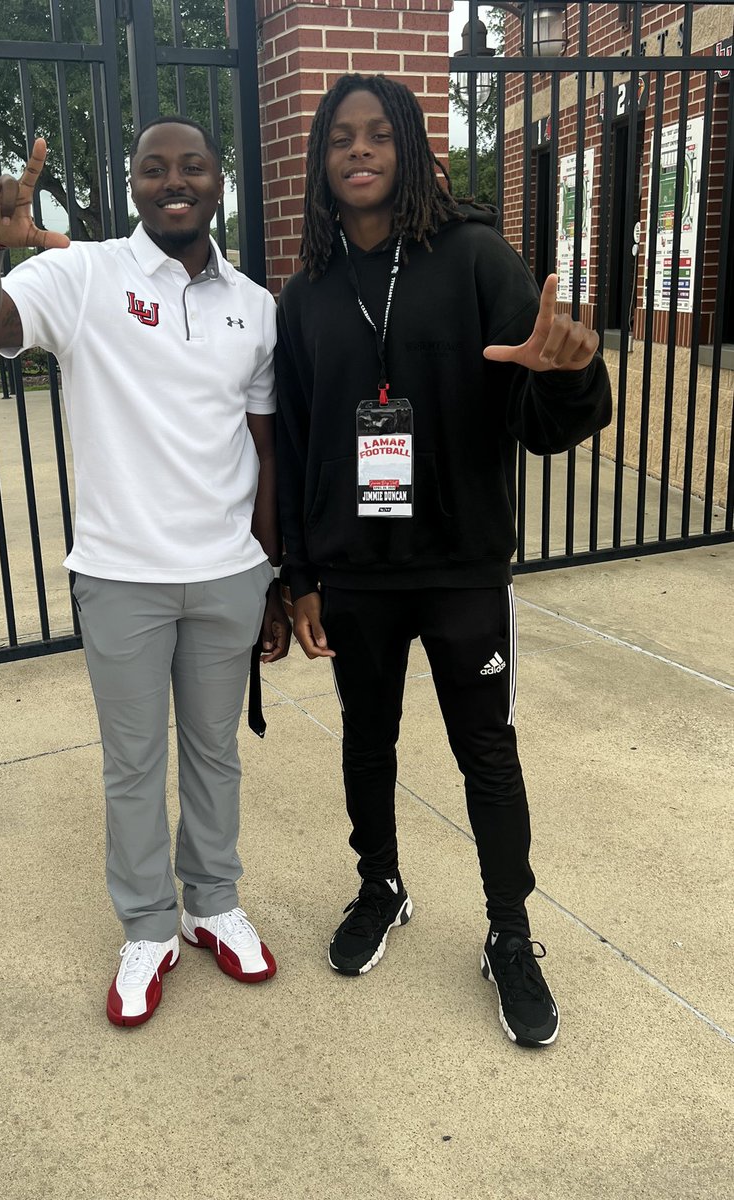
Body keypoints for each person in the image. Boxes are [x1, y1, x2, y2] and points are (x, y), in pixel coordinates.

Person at [274, 74, 611, 1048]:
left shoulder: (475, 260)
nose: (361, 149)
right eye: (342, 137)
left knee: (487, 754)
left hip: (463, 564)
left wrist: (575, 370)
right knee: (365, 742)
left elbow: (548, 416)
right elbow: (294, 445)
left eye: (380, 134)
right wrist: (297, 575)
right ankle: (380, 885)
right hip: (355, 571)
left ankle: (509, 931)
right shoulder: (309, 293)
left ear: (413, 148)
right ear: (323, 162)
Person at [0, 118, 290, 1028]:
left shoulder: (255, 304)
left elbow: (264, 449)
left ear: (219, 182)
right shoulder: (83, 275)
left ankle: (214, 904)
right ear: (132, 183)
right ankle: (148, 927)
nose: (175, 181)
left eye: (194, 167)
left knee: (216, 754)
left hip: (227, 576)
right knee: (133, 764)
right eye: (154, 169)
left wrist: (275, 574)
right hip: (121, 577)